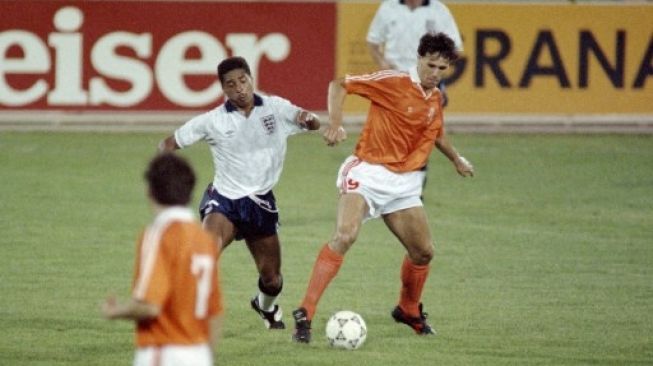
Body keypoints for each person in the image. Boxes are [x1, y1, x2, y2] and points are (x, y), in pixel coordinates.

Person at [292, 33, 474, 344]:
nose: (435, 73)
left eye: (442, 69)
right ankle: (305, 313)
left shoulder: (435, 98)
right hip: (368, 172)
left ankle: (408, 309)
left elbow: (437, 131)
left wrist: (456, 158)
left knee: (423, 251)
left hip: (403, 183)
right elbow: (339, 84)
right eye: (430, 65)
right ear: (418, 59)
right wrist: (335, 123)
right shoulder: (392, 81)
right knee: (345, 235)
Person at [159, 56, 320, 330]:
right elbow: (168, 144)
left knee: (272, 279)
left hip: (260, 204)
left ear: (251, 79)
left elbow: (310, 121)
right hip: (224, 202)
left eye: (243, 81)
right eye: (231, 84)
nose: (239, 88)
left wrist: (309, 119)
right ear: (224, 89)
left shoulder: (274, 108)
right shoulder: (212, 121)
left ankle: (265, 307)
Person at [102, 153, 223, 366]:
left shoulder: (160, 234)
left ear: (150, 191)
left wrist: (116, 311)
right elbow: (215, 313)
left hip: (164, 354)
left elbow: (150, 306)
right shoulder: (204, 239)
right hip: (199, 355)